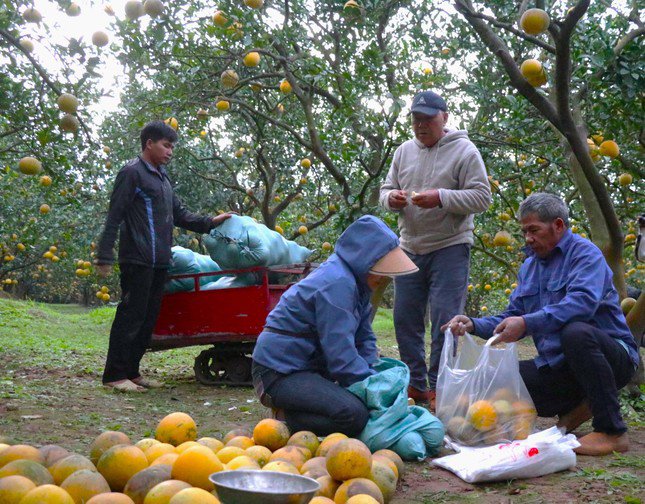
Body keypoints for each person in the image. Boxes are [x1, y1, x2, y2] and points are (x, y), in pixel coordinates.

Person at [443, 193, 639, 456]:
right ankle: (581, 404)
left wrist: (526, 323)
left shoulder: (585, 255)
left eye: (533, 230)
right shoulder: (529, 267)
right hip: (561, 365)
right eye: (524, 231)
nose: (528, 238)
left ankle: (612, 432)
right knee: (499, 381)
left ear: (558, 225)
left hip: (611, 357)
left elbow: (582, 304)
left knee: (576, 333)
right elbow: (513, 314)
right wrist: (473, 324)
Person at [96, 120, 233, 392]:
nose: (170, 151)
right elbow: (115, 215)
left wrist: (211, 222)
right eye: (166, 145)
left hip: (160, 259)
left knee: (148, 318)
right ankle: (114, 375)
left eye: (172, 147)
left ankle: (132, 372)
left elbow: (180, 215)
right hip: (137, 257)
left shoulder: (161, 177)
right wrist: (104, 254)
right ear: (150, 144)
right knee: (130, 316)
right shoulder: (132, 173)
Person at [251, 215, 418, 436]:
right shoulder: (337, 283)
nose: (383, 276)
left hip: (309, 369)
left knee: (360, 408)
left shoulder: (357, 285)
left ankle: (305, 409)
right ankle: (287, 418)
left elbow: (364, 338)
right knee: (354, 416)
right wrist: (370, 391)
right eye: (379, 268)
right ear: (363, 259)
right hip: (278, 372)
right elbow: (341, 356)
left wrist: (371, 374)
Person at [379, 90, 491, 408]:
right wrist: (392, 198)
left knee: (446, 321)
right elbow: (384, 190)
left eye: (427, 119)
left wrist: (441, 196)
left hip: (450, 246)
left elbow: (482, 197)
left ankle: (440, 386)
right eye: (416, 119)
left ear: (444, 118)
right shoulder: (403, 152)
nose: (420, 125)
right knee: (405, 319)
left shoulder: (465, 152)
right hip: (410, 247)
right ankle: (416, 386)